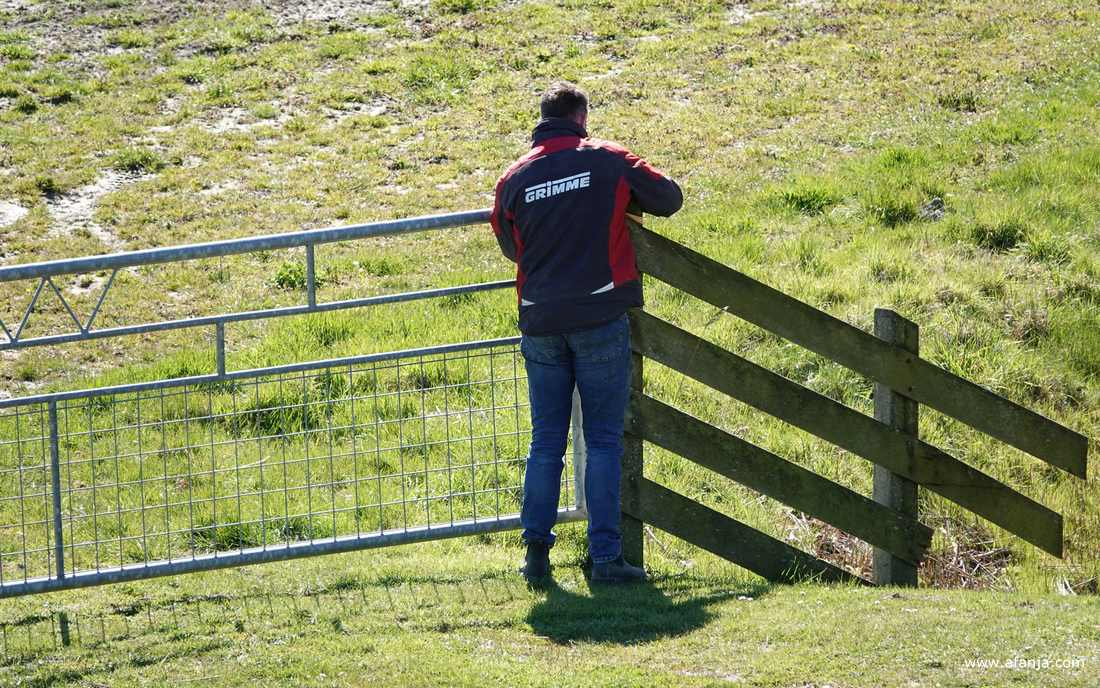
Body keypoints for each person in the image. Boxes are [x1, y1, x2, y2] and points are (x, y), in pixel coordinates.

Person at [490, 81, 683, 583]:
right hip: (600, 315)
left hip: (541, 320)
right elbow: (669, 198)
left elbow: (511, 247)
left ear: (541, 119)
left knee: (545, 441)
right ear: (582, 117)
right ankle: (604, 560)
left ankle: (535, 556)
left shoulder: (514, 177)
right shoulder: (609, 159)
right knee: (601, 441)